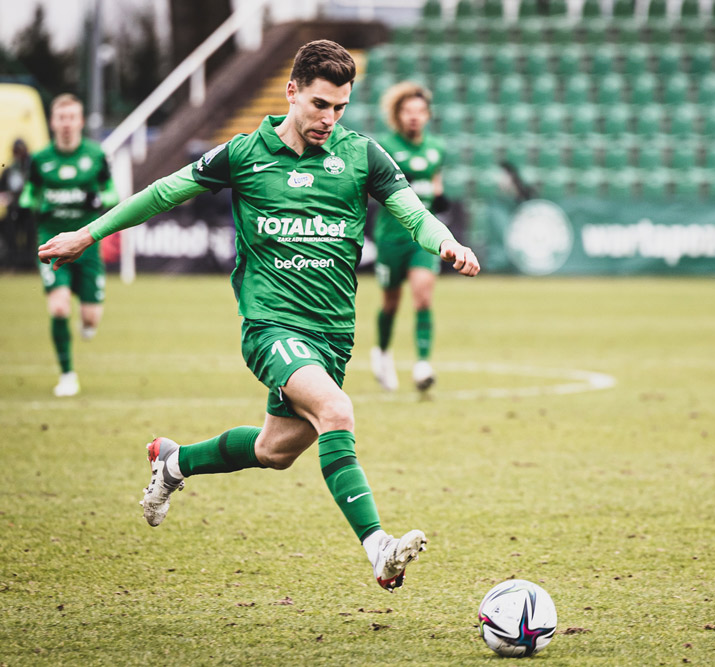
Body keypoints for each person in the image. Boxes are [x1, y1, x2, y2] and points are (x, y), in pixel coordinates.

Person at [38, 40, 480, 591]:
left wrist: (447, 242)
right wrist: (89, 233)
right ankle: (378, 547)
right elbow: (164, 193)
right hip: (271, 326)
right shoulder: (245, 154)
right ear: (291, 92)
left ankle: (174, 462)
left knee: (276, 451)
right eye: (320, 104)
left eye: (340, 107)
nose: (329, 118)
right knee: (336, 411)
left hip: (332, 333)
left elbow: (413, 213)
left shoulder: (361, 155)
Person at [20, 95, 119, 397]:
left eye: (71, 117)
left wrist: (98, 200)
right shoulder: (40, 159)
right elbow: (29, 193)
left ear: (81, 121)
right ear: (53, 122)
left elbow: (113, 193)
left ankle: (87, 321)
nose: (66, 124)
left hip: (87, 245)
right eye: (61, 118)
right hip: (51, 243)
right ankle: (67, 375)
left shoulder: (96, 155)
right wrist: (33, 204)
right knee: (59, 307)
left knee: (90, 319)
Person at [369, 82, 449, 393]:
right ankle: (382, 353)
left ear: (428, 115)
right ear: (398, 115)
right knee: (391, 302)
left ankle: (423, 364)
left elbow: (436, 183)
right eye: (407, 111)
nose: (414, 117)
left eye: (420, 111)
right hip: (391, 237)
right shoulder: (385, 148)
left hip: (422, 238)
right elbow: (375, 190)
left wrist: (439, 196)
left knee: (423, 296)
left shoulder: (436, 148)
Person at [0, 138, 35, 269]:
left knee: (30, 237)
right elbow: (2, 189)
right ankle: (13, 263)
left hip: (28, 209)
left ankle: (29, 263)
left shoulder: (30, 169)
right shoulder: (9, 170)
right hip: (13, 209)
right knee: (11, 237)